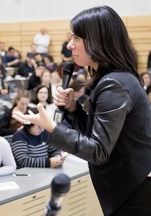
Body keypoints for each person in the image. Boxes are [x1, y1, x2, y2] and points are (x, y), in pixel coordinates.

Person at [13, 6, 151, 216]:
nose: (69, 45)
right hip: (131, 185)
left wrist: (51, 127)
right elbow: (98, 134)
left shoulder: (114, 83)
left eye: (76, 38)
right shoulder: (113, 77)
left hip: (134, 189)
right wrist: (73, 108)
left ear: (98, 39)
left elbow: (98, 150)